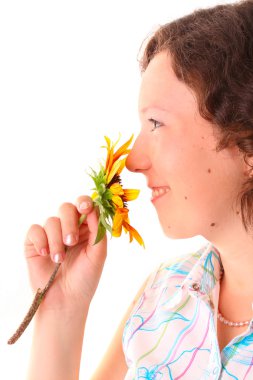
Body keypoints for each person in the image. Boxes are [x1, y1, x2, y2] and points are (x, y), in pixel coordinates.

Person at [26, 1, 253, 378]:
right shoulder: (163, 295)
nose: (132, 160)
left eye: (156, 123)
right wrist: (61, 313)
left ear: (246, 142)